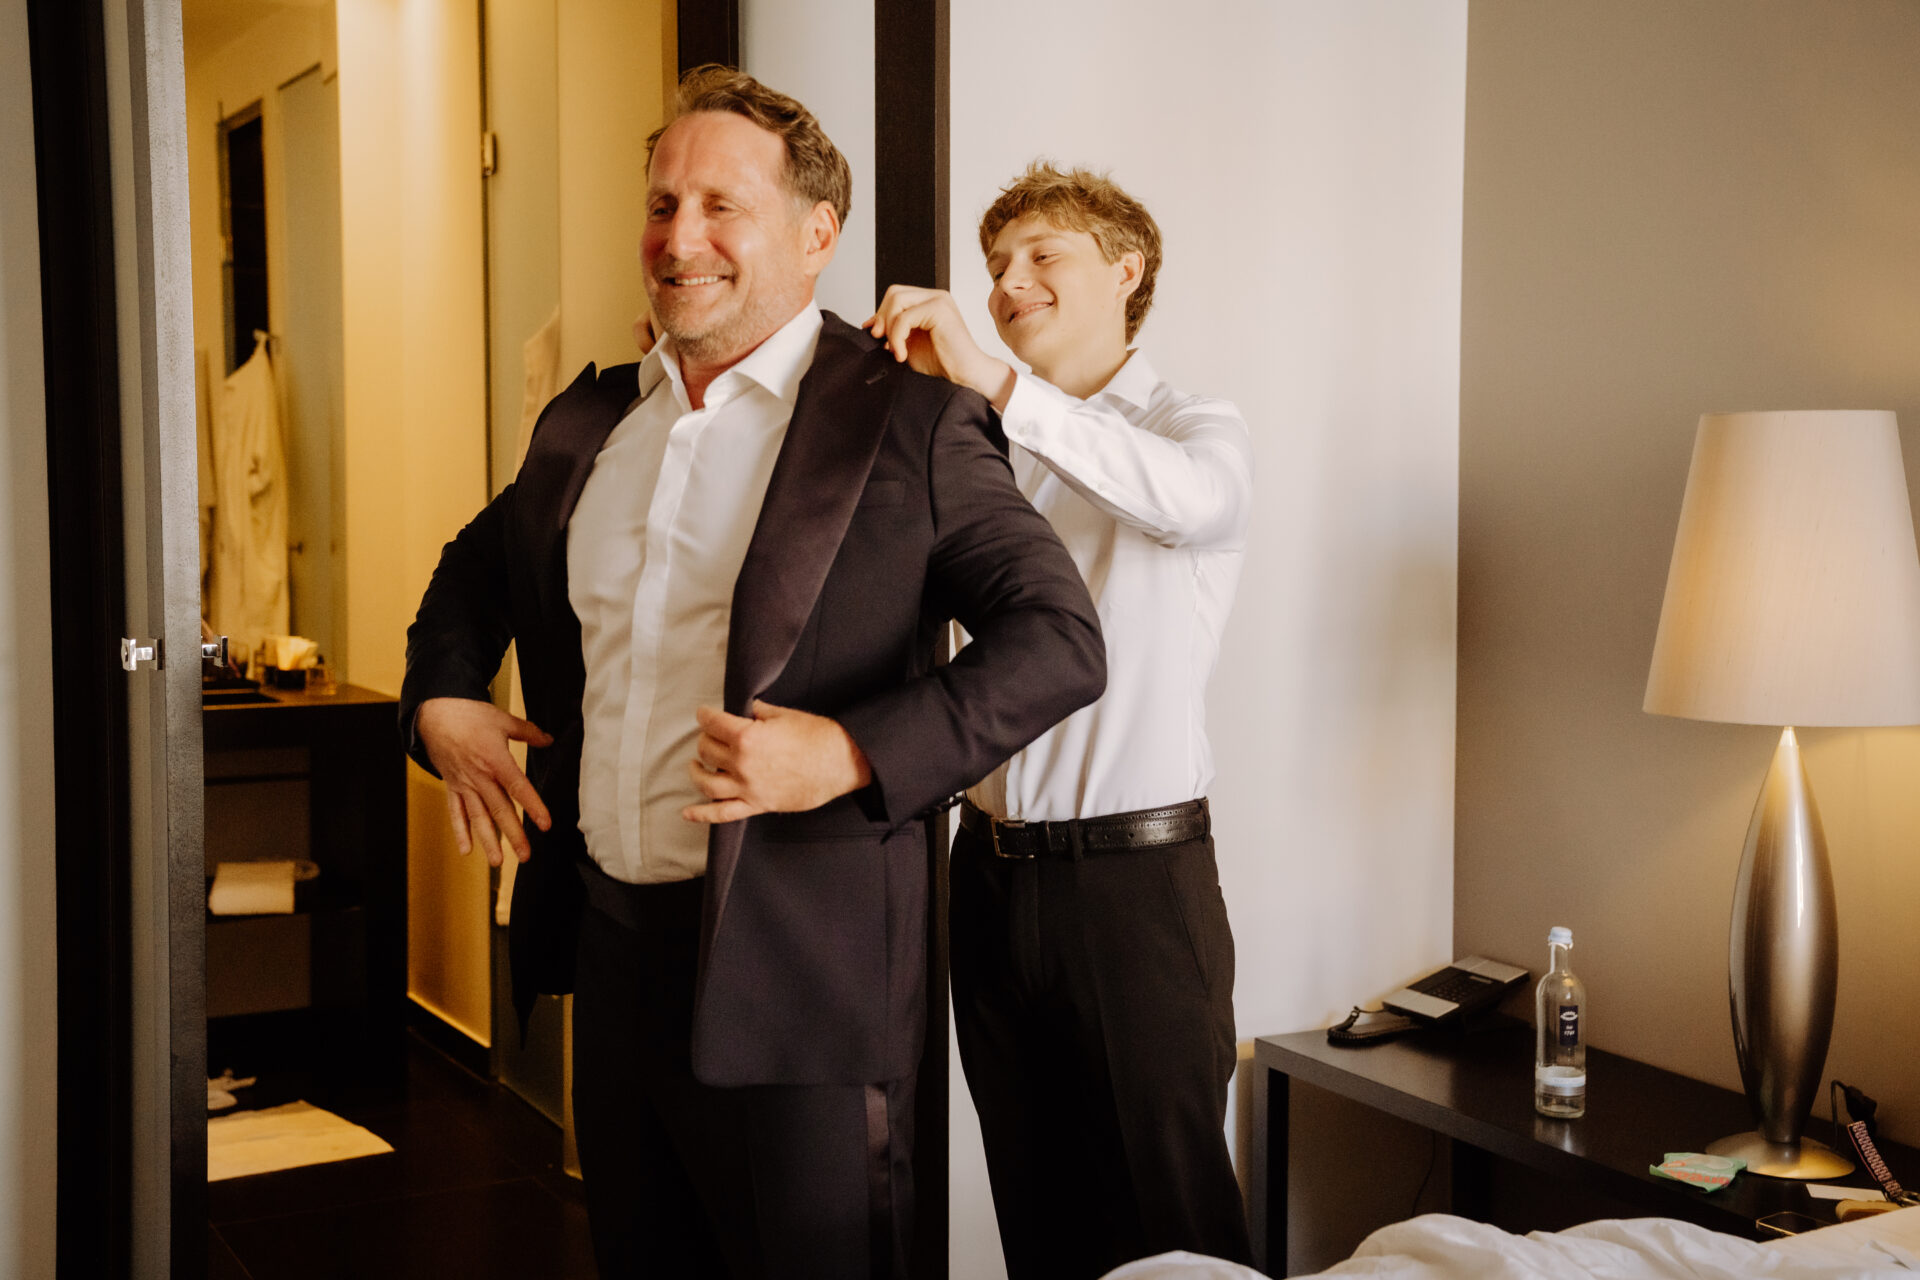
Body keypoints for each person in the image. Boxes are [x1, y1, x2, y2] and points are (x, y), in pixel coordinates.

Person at [400, 75, 1105, 1280]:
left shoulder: (909, 422)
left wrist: (851, 750)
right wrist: (441, 698)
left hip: (806, 989)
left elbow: (1058, 638)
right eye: (664, 200)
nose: (680, 238)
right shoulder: (589, 424)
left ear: (816, 235)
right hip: (613, 960)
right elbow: (480, 567)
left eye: (723, 204)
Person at [868, 163, 1255, 1278]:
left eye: (1044, 255)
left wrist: (997, 384)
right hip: (985, 884)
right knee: (1036, 1219)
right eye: (996, 266)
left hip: (1135, 895)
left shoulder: (1195, 429)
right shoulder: (979, 446)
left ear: (1126, 270)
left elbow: (1187, 503)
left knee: (1174, 1228)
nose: (1009, 281)